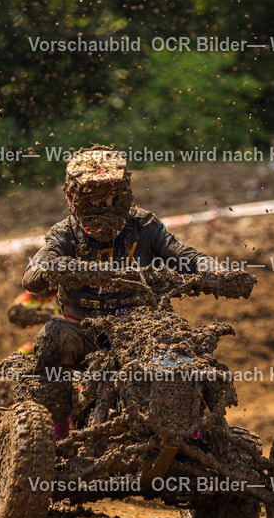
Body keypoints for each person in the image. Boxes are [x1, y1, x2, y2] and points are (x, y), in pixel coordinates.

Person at [21, 145, 240, 434]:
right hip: (86, 334)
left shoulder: (144, 225)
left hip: (144, 329)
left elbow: (183, 254)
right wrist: (56, 268)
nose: (107, 207)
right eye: (96, 200)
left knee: (190, 352)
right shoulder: (66, 233)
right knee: (53, 337)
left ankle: (206, 434)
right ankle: (57, 433)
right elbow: (33, 271)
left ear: (127, 192)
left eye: (115, 197)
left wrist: (216, 270)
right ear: (74, 199)